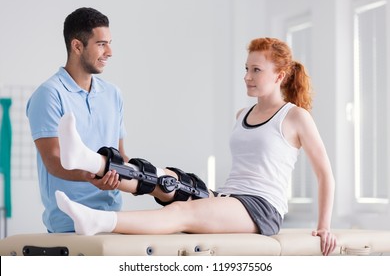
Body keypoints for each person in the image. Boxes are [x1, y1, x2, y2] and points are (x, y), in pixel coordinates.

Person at [54, 37, 337, 255]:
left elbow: (325, 174)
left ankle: (100, 221)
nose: (247, 76)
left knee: (180, 214)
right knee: (162, 180)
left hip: (261, 209)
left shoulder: (295, 116)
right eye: (246, 68)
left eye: (256, 70)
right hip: (227, 198)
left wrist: (323, 226)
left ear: (280, 75)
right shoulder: (243, 115)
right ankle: (88, 159)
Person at [26, 7, 127, 233]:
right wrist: (91, 176)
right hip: (69, 222)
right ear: (77, 46)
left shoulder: (113, 94)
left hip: (111, 217)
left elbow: (121, 155)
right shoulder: (49, 94)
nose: (109, 51)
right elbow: (53, 160)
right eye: (101, 44)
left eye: (110, 43)